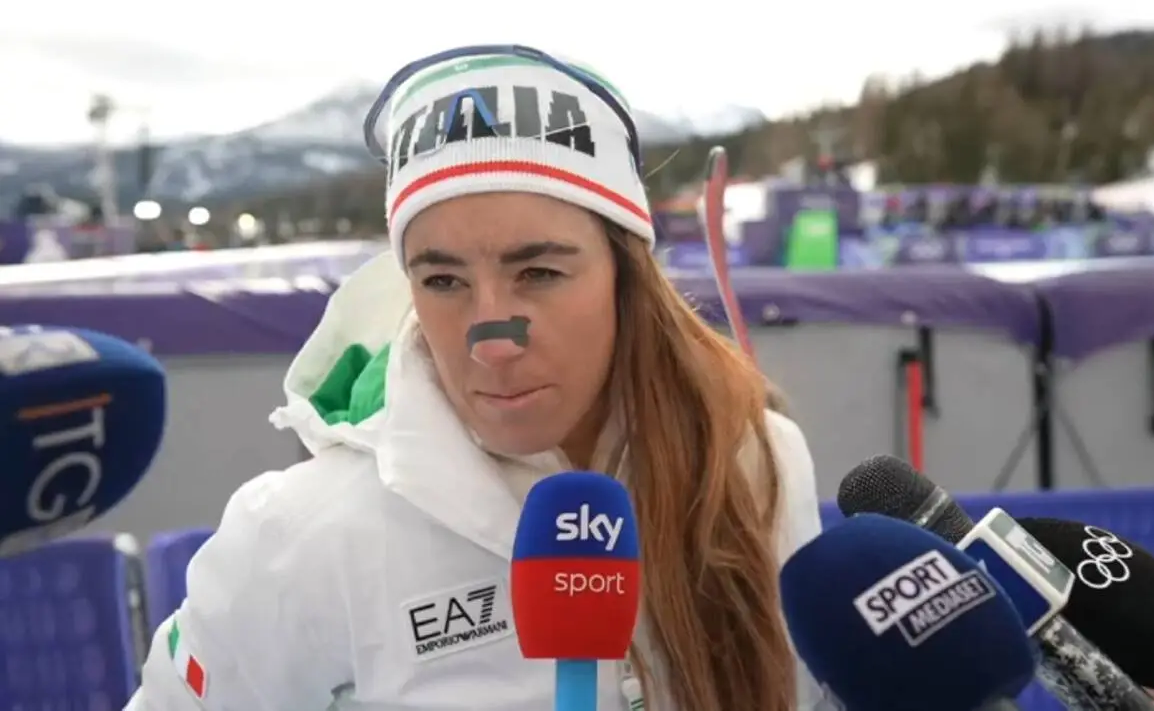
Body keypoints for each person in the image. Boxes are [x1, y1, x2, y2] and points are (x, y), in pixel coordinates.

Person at [124, 45, 823, 711]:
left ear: (626, 273)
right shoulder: (299, 533)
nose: (492, 341)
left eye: (538, 272)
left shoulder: (757, 459)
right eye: (443, 281)